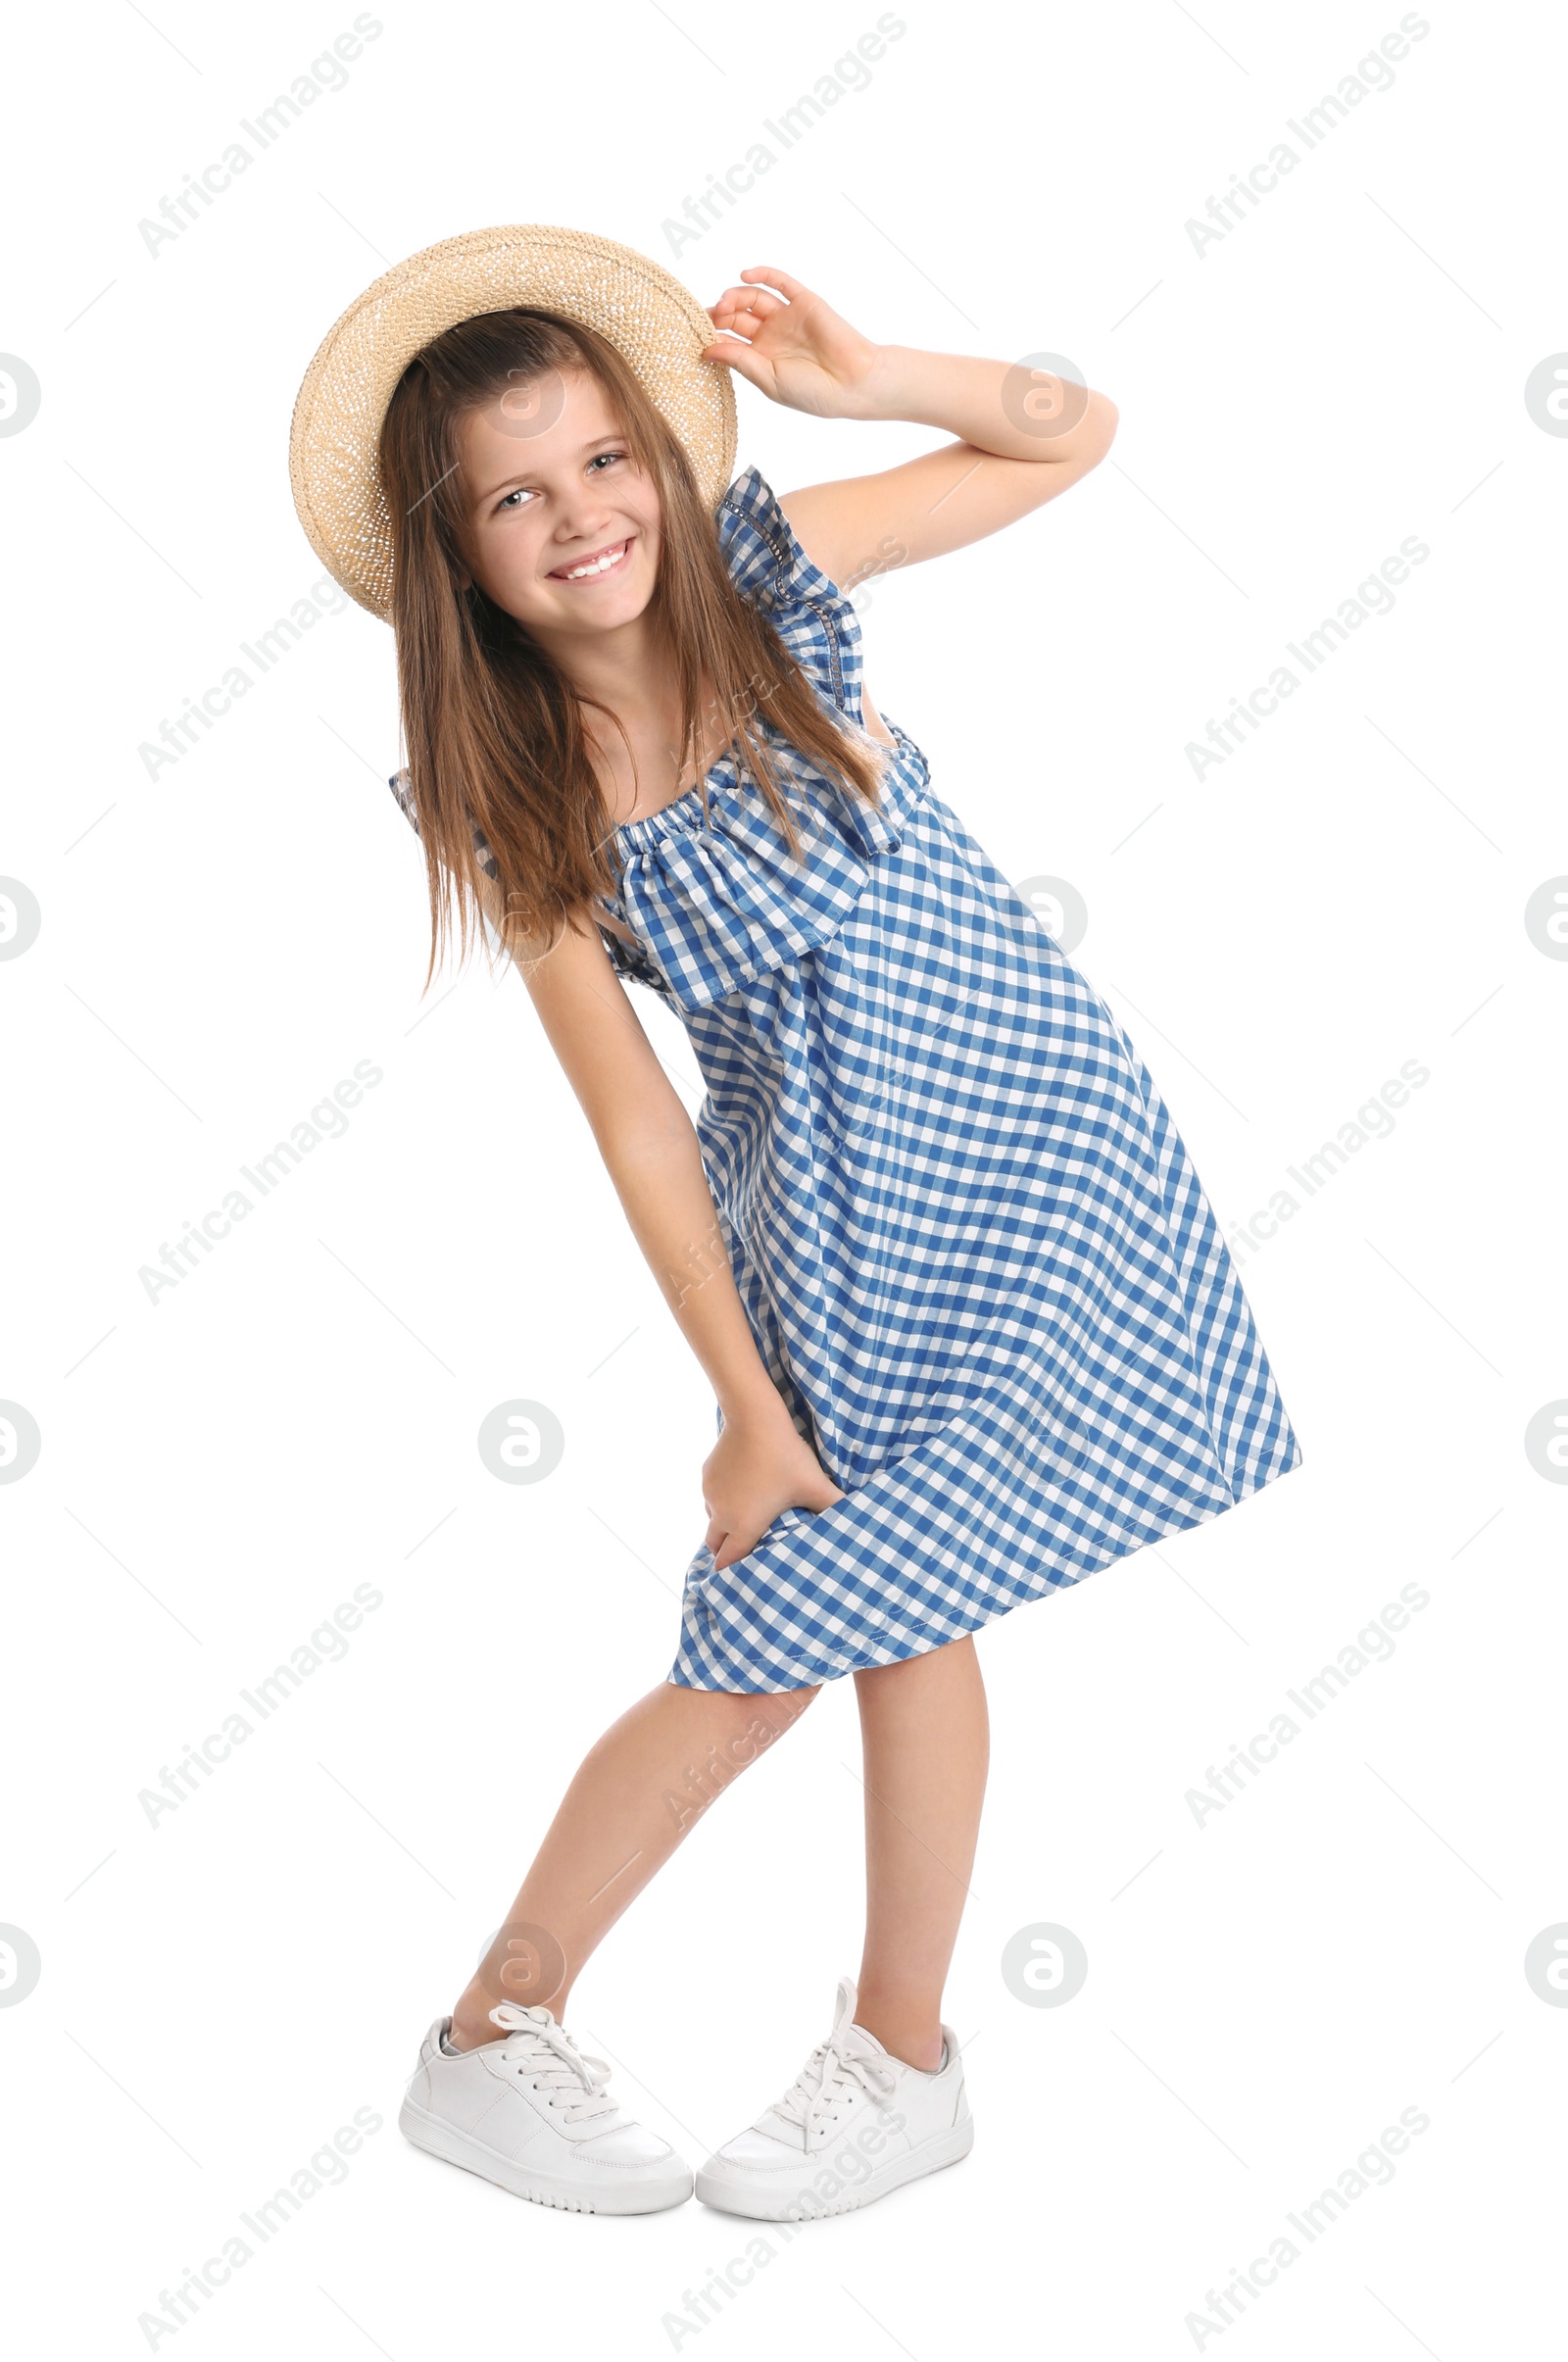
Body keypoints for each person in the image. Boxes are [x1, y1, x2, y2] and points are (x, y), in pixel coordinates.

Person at [289, 225, 1302, 2223]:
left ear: (656, 461)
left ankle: (889, 2050)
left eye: (601, 457)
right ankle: (509, 2033)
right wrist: (741, 1400)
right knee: (784, 1634)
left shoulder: (766, 589)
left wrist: (868, 372)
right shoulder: (519, 791)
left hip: (1041, 1149)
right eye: (515, 493)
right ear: (455, 555)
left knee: (909, 1613)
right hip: (843, 1238)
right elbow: (642, 1130)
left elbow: (1063, 436)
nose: (581, 514)